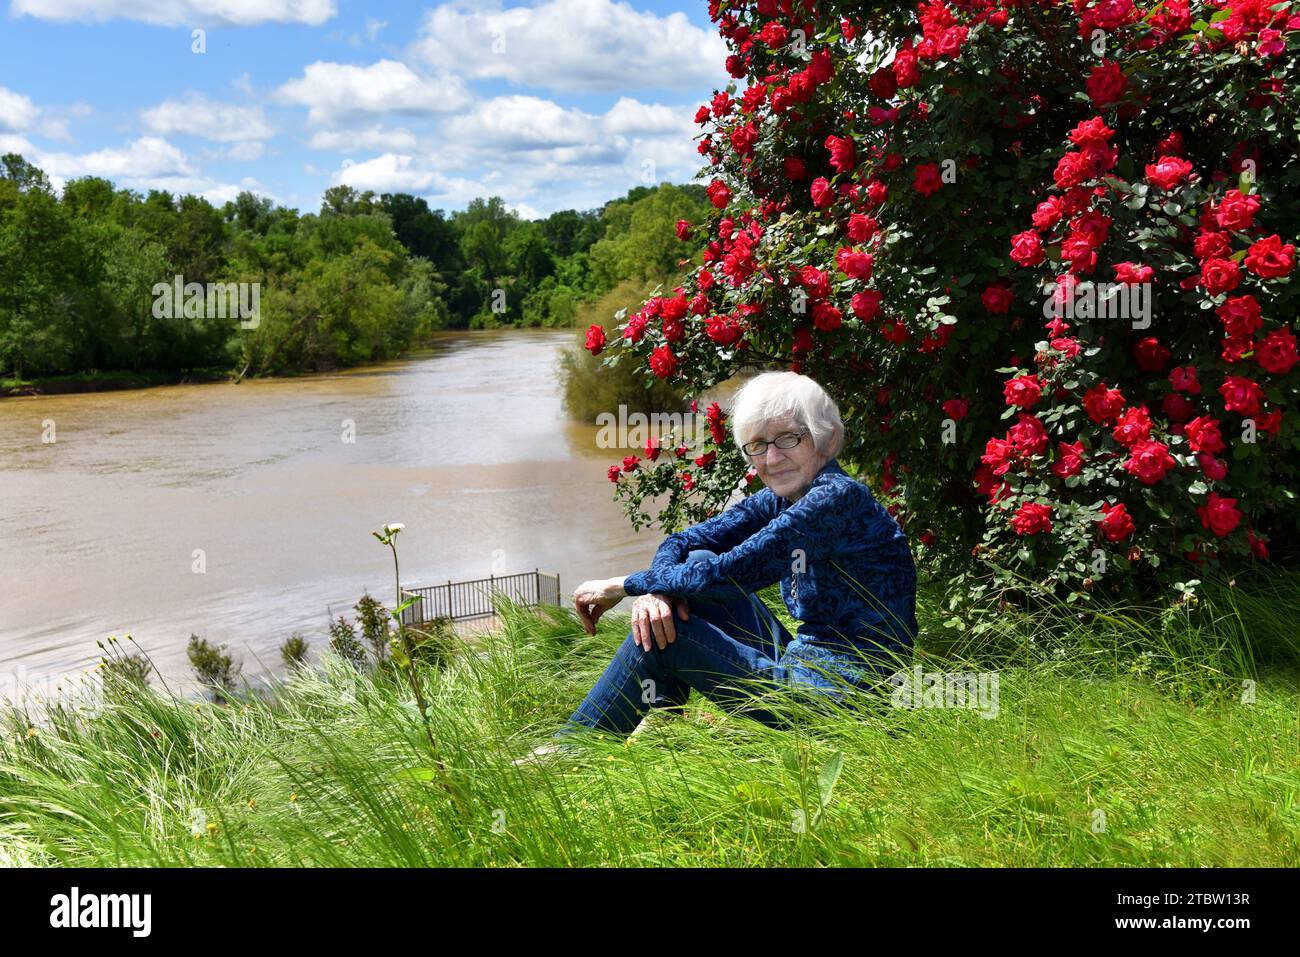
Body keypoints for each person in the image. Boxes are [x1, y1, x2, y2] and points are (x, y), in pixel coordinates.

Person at [514, 371, 918, 765]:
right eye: (757, 446)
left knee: (672, 628)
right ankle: (662, 711)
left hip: (850, 704)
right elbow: (685, 543)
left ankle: (573, 751)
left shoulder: (835, 501)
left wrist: (626, 585)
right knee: (695, 563)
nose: (772, 458)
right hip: (806, 661)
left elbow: (728, 575)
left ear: (825, 437)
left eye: (789, 438)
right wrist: (659, 592)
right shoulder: (785, 496)